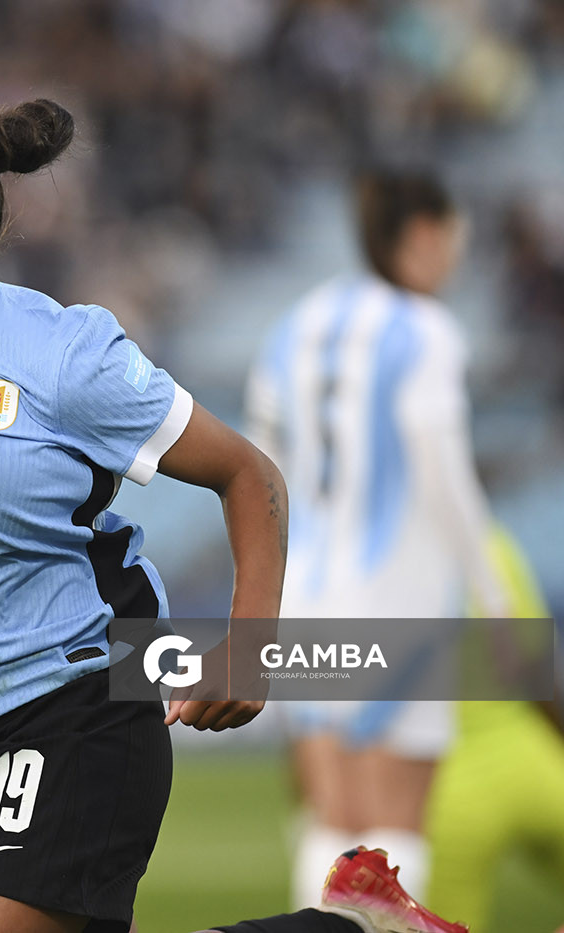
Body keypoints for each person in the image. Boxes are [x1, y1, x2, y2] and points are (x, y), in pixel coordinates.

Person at [0, 100, 468, 933]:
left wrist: (250, 648)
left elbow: (248, 474)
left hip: (77, 702)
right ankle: (358, 929)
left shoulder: (60, 353)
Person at [243, 169, 508, 909]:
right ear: (424, 233)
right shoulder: (425, 328)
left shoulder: (294, 324)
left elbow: (260, 465)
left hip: (305, 597)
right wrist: (495, 595)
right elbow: (442, 466)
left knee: (332, 824)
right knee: (394, 826)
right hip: (400, 595)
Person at [425, 525, 564, 931]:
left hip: (444, 790)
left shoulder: (373, 562)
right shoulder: (492, 546)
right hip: (534, 761)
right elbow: (538, 667)